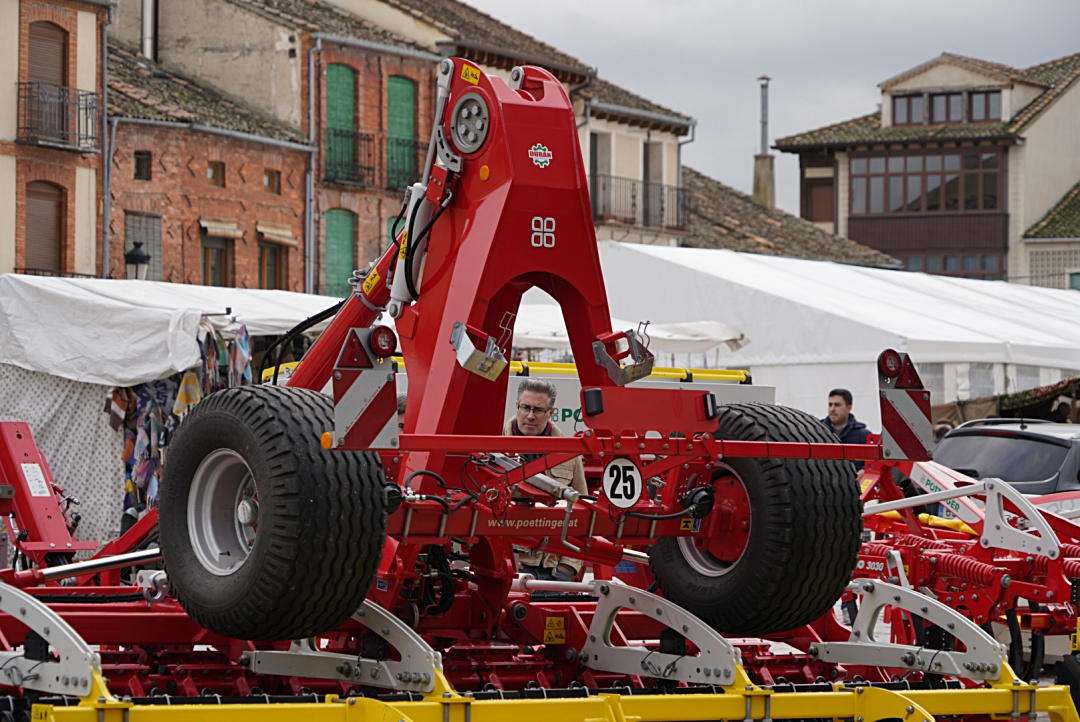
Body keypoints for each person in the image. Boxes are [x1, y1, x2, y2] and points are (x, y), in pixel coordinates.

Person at [506, 378, 587, 582]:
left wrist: (569, 566)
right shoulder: (493, 451)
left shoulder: (569, 454)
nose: (530, 416)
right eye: (525, 407)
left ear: (551, 412)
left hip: (554, 569)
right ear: (517, 407)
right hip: (508, 564)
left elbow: (583, 511)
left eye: (538, 410)